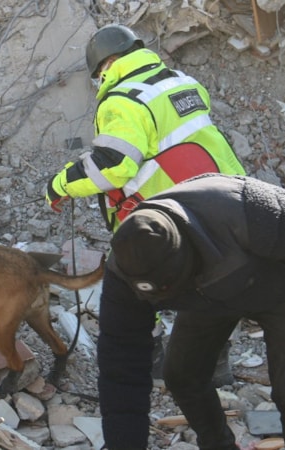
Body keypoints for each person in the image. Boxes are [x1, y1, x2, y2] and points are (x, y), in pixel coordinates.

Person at [100, 173, 285, 450]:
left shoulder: (246, 209)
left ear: (184, 263)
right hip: (209, 296)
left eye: (166, 289)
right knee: (183, 377)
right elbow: (120, 371)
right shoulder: (124, 271)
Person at [45, 24, 246, 384]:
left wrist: (61, 184)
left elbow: (114, 166)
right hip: (224, 199)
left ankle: (148, 365)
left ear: (106, 65)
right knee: (210, 285)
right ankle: (214, 368)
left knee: (136, 288)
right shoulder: (181, 82)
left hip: (166, 216)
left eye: (97, 74)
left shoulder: (123, 100)